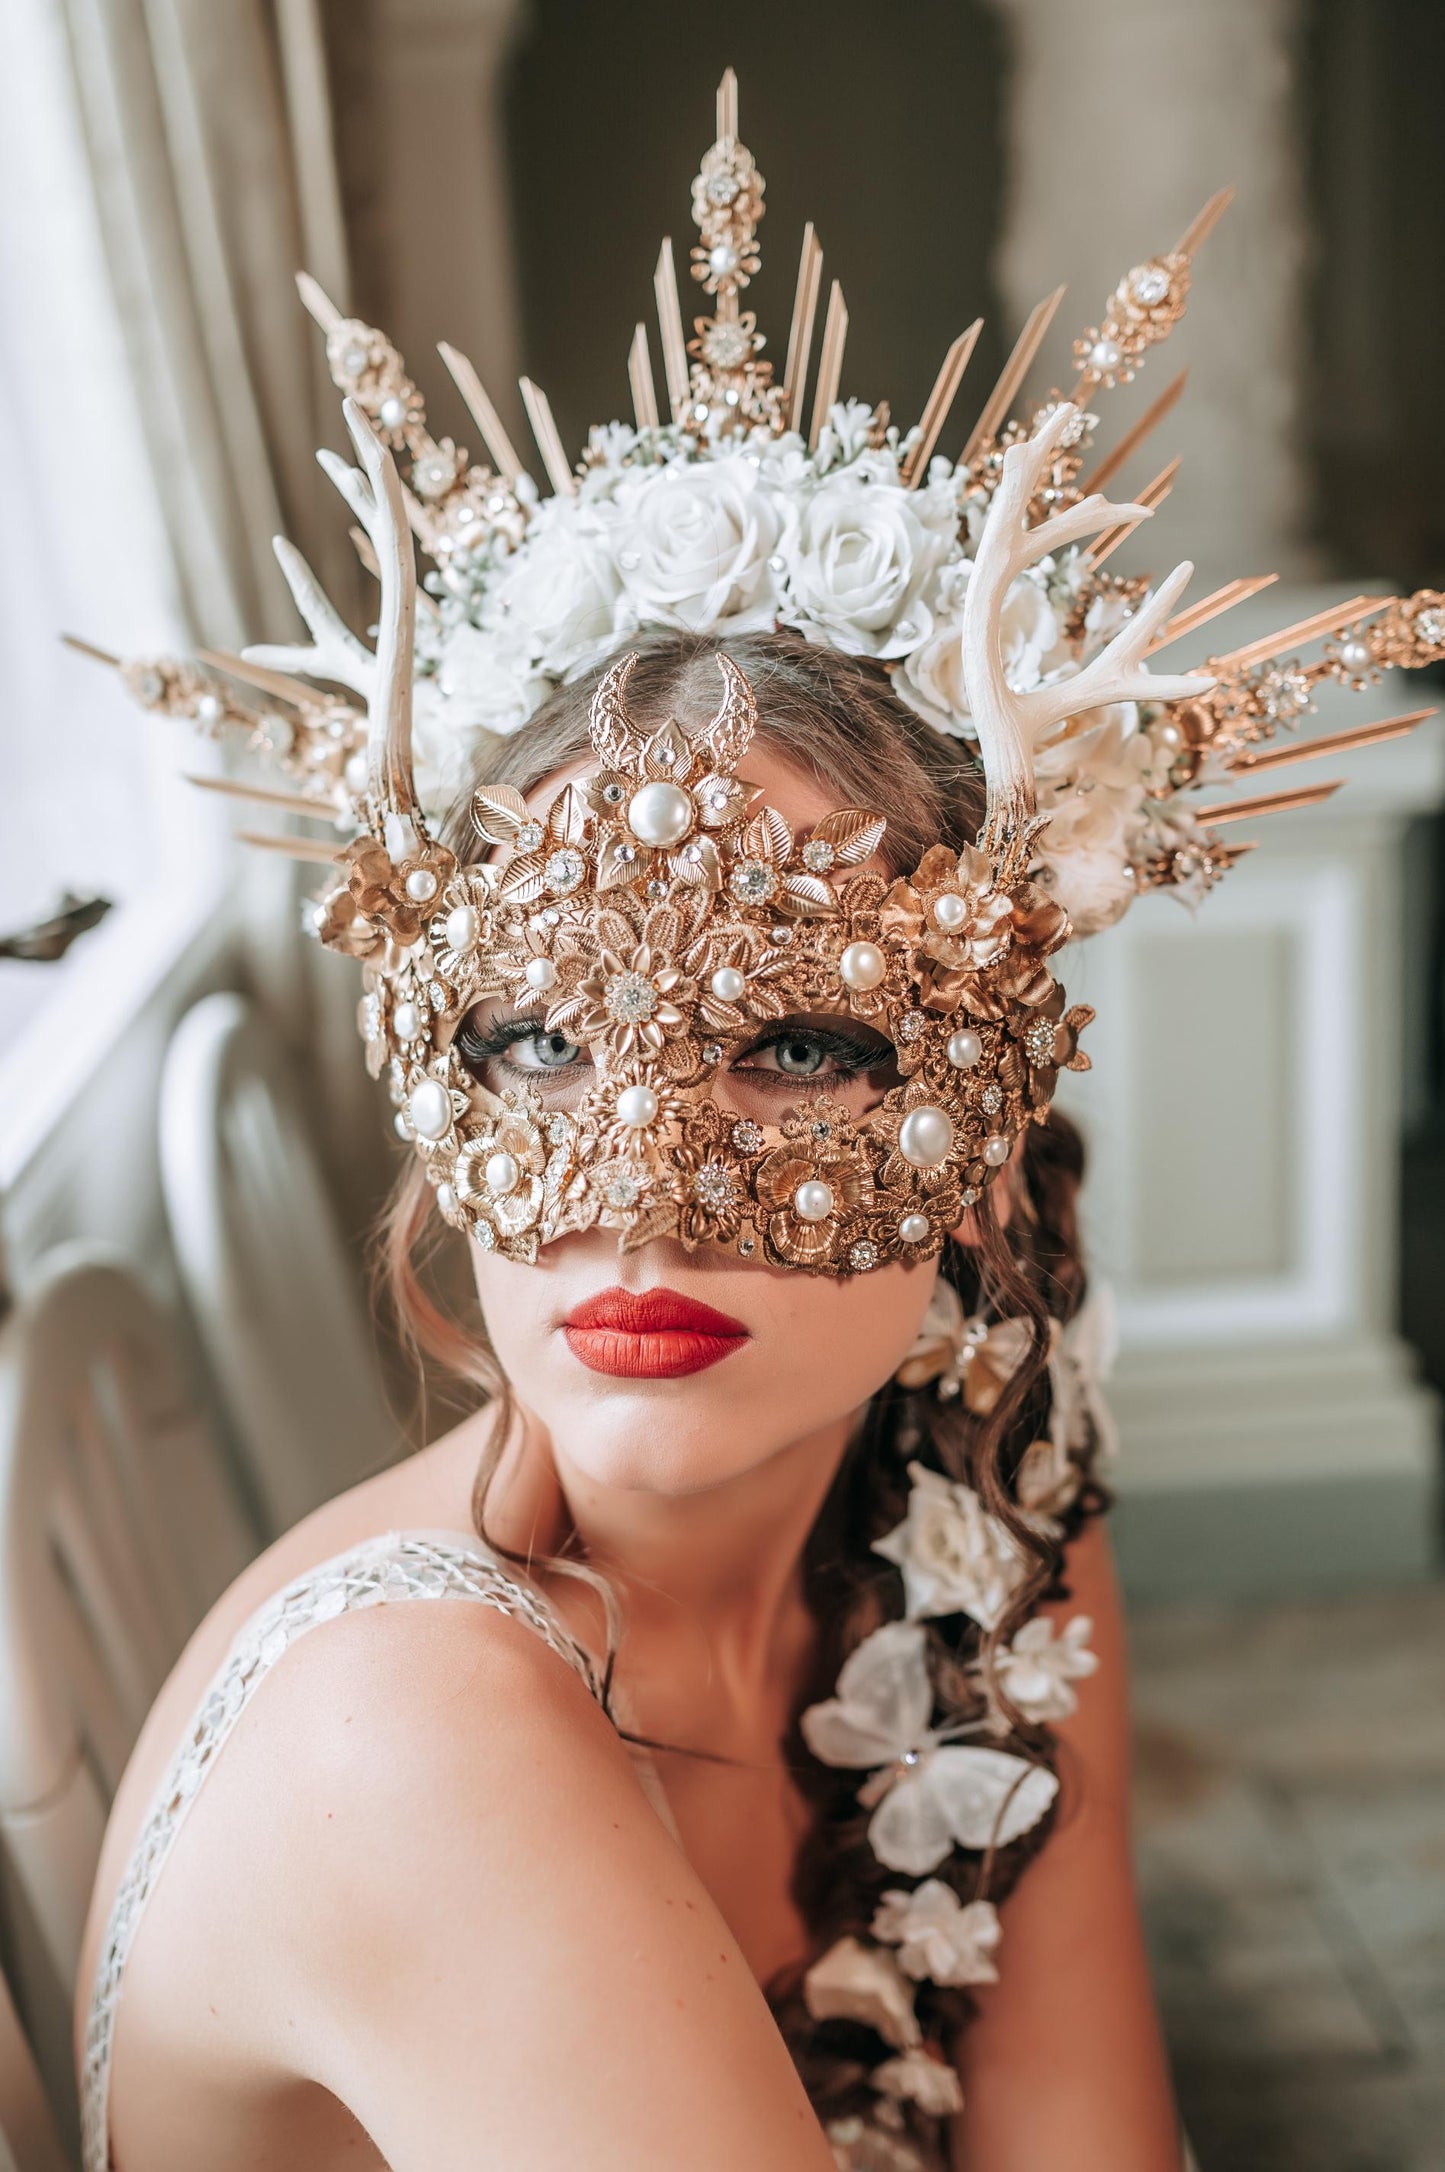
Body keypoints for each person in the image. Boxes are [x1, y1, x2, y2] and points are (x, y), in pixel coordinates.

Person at [75, 70, 1443, 2172]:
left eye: (801, 1046)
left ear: (989, 1118)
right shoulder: (421, 1734)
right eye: (541, 1038)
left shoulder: (977, 1505)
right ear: (438, 1074)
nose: (648, 1189)